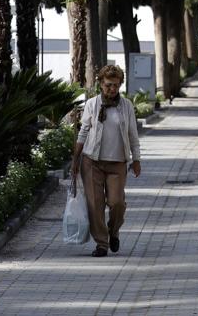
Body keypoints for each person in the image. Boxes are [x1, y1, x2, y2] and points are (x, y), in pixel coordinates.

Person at [72, 65, 142, 257]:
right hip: (92, 162)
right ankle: (102, 244)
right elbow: (83, 132)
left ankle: (114, 231)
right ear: (101, 84)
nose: (112, 89)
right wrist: (75, 159)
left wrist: (136, 159)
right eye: (108, 85)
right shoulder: (92, 104)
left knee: (117, 203)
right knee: (95, 204)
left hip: (117, 163)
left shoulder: (126, 106)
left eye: (116, 85)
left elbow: (133, 134)